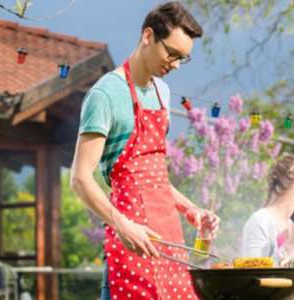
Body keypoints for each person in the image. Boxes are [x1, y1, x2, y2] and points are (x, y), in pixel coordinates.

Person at [70, 2, 219, 299]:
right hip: (129, 244)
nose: (175, 64)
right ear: (148, 36)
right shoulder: (105, 95)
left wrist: (192, 210)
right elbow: (80, 178)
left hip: (168, 239)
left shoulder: (162, 93)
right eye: (172, 54)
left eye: (183, 59)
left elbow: (153, 179)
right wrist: (124, 226)